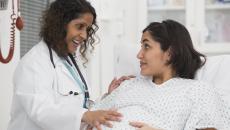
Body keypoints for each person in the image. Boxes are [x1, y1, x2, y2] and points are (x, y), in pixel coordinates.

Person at [7, 0, 134, 130]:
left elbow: (79, 104)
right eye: (79, 26)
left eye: (87, 29)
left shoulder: (69, 60)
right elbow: (41, 110)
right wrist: (85, 115)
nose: (84, 35)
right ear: (60, 24)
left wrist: (108, 97)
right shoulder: (34, 63)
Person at [87, 20, 230, 130]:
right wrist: (108, 96)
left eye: (146, 46)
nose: (139, 55)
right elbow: (88, 117)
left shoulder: (199, 91)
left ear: (169, 53)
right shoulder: (129, 85)